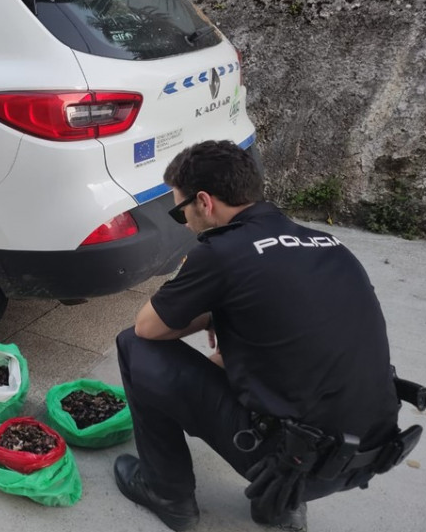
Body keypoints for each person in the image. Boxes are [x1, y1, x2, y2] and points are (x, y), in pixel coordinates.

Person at [113, 140, 405, 532]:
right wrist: (223, 313)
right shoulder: (329, 244)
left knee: (135, 346)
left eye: (179, 211)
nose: (183, 223)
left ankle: (166, 492)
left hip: (286, 460)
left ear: (204, 202)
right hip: (370, 452)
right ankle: (287, 501)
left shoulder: (223, 252)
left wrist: (208, 313)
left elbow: (149, 326)